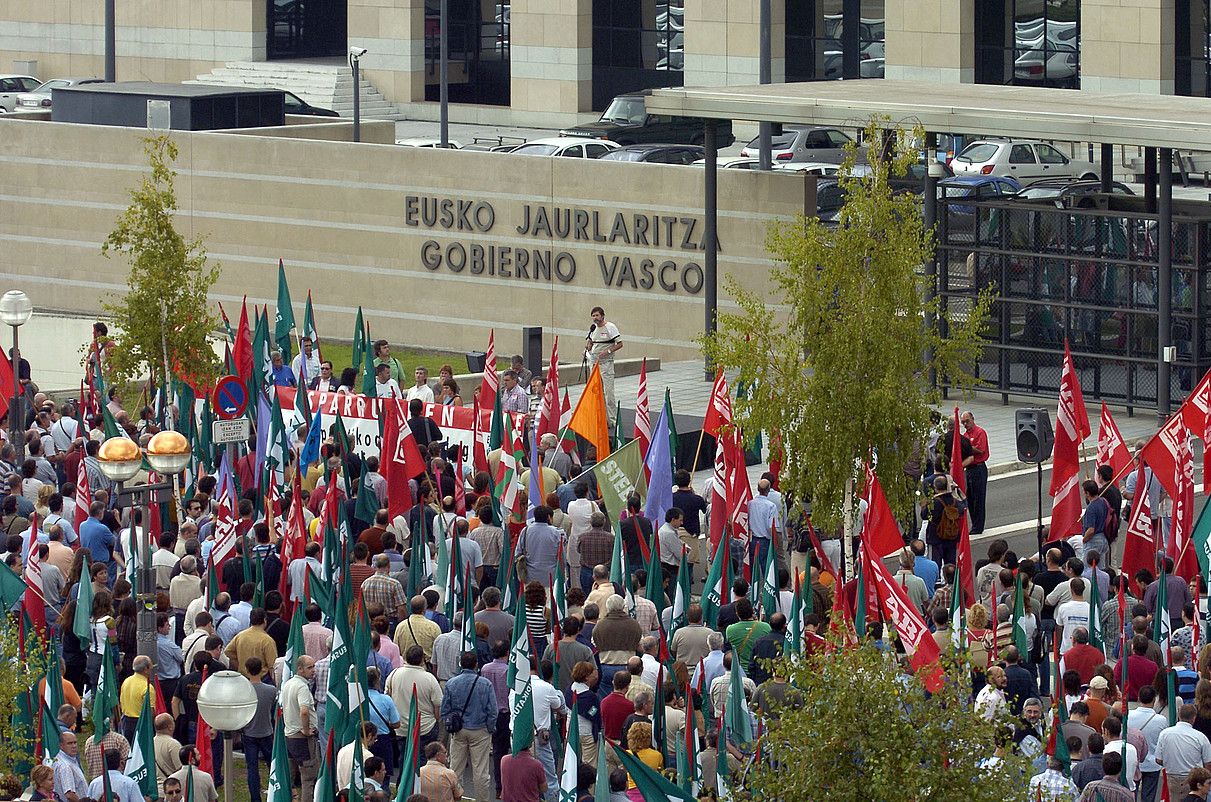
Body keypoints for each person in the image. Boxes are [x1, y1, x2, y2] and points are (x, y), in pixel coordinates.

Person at [442, 651, 497, 802]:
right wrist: (490, 728)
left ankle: (454, 798)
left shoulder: (451, 683)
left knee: (455, 769)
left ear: (460, 664)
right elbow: (492, 710)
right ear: (476, 665)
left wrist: (451, 724)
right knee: (481, 771)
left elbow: (445, 710)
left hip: (459, 730)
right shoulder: (485, 684)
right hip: (480, 730)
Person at [281, 656, 319, 802]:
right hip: (301, 738)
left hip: (289, 735)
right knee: (308, 778)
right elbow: (304, 711)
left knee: (290, 777)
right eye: (309, 667)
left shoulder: (289, 684)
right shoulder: (302, 687)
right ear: (300, 669)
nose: (313, 670)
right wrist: (306, 729)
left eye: (313, 666)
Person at [1157, 703, 1211, 801]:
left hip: (1172, 777)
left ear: (1179, 715)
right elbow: (1208, 763)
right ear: (1194, 718)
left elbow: (1158, 760)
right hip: (1194, 780)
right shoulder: (1200, 737)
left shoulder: (1164, 734)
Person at [584, 306, 622, 424]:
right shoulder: (593, 328)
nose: (595, 318)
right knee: (595, 391)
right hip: (594, 363)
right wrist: (588, 347)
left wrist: (608, 351)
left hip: (606, 364)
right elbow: (591, 342)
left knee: (608, 392)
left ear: (602, 316)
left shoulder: (610, 327)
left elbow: (620, 344)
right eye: (593, 316)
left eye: (597, 315)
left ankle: (612, 420)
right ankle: (599, 417)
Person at [960, 410, 989, 534]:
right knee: (970, 498)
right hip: (970, 468)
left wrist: (967, 446)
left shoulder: (980, 432)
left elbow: (981, 450)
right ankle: (974, 523)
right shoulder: (965, 436)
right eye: (963, 422)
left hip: (979, 467)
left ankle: (978, 526)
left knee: (979, 498)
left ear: (972, 419)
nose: (966, 424)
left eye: (967, 421)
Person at [52, 730, 88, 802]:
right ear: (61, 746)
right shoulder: (65, 766)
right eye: (69, 743)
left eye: (75, 742)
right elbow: (69, 795)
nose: (74, 746)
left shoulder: (60, 759)